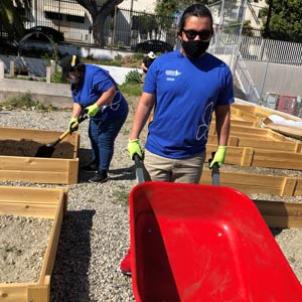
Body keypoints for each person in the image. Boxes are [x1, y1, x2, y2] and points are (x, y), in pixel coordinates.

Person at [120, 3, 234, 274]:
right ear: (180, 33)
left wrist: (222, 148)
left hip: (191, 158)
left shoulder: (220, 72)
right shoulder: (161, 65)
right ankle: (136, 252)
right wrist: (133, 137)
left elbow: (224, 113)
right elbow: (146, 103)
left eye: (203, 35)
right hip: (157, 152)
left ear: (211, 34)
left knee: (183, 213)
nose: (197, 39)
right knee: (147, 210)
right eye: (191, 33)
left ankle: (172, 254)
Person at [61, 54, 129, 183]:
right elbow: (78, 102)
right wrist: (74, 118)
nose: (67, 77)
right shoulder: (75, 82)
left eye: (69, 74)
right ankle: (95, 162)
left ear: (76, 70)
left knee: (104, 139)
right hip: (97, 114)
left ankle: (102, 172)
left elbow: (110, 90)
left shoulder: (94, 74)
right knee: (93, 134)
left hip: (114, 112)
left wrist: (97, 105)